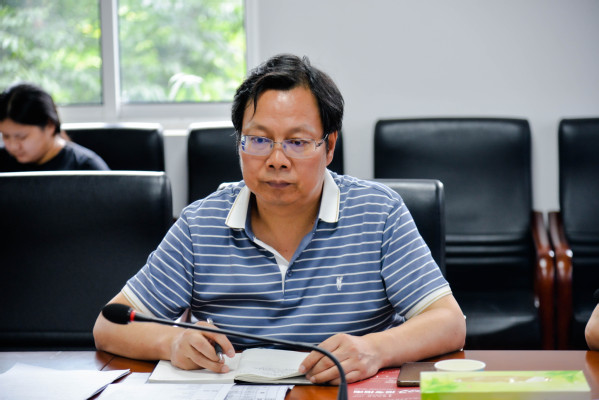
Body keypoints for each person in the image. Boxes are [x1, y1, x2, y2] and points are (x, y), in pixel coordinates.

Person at [93, 54, 466, 384]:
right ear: (239, 143)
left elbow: (449, 322)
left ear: (329, 146)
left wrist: (376, 349)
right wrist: (172, 341)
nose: (276, 160)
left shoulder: (378, 213)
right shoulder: (200, 224)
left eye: (297, 142)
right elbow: (110, 324)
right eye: (258, 140)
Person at [0, 83, 109, 171]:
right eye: (6, 136)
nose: (13, 146)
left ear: (50, 125)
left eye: (22, 137)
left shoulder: (86, 168)